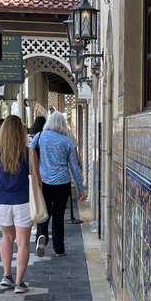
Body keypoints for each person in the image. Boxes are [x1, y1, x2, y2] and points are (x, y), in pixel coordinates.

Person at [31, 110, 84, 257]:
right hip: (62, 183)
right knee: (59, 216)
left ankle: (41, 236)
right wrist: (80, 189)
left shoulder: (40, 136)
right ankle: (59, 249)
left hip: (44, 182)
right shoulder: (67, 141)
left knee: (44, 212)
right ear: (62, 124)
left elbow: (30, 150)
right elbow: (74, 166)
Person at [0, 114, 33, 294]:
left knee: (7, 237)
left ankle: (6, 276)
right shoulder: (28, 151)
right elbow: (36, 176)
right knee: (23, 242)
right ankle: (19, 282)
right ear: (21, 131)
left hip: (2, 199)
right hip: (22, 200)